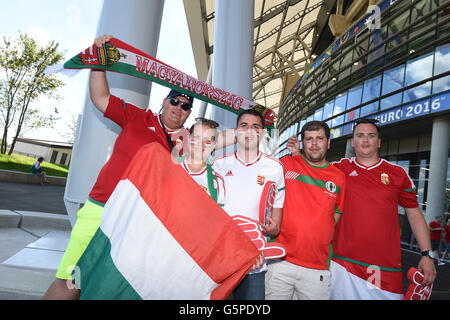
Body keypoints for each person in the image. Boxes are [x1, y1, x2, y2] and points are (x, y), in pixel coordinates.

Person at [44, 35, 194, 300]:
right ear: (164, 101)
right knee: (71, 280)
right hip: (100, 209)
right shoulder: (137, 117)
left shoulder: (186, 143)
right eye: (175, 101)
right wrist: (99, 63)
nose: (179, 108)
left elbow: (216, 141)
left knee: (109, 287)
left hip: (135, 223)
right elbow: (100, 97)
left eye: (185, 106)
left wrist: (249, 128)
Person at [329, 118, 436, 299]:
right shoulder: (338, 169)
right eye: (360, 136)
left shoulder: (398, 173)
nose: (365, 140)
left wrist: (427, 254)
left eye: (371, 136)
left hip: (380, 268)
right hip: (342, 263)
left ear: (378, 143)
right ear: (353, 142)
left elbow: (414, 214)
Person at [265, 121, 346, 300]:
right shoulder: (286, 164)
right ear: (302, 143)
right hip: (280, 261)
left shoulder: (338, 176)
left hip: (317, 268)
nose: (314, 143)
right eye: (309, 139)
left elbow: (336, 214)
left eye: (319, 138)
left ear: (328, 143)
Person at [212, 109, 285, 300]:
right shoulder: (218, 163)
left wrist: (273, 227)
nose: (250, 131)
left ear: (262, 133)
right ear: (236, 131)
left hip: (255, 260)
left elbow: (276, 216)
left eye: (255, 127)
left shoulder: (275, 167)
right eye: (244, 126)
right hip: (220, 258)